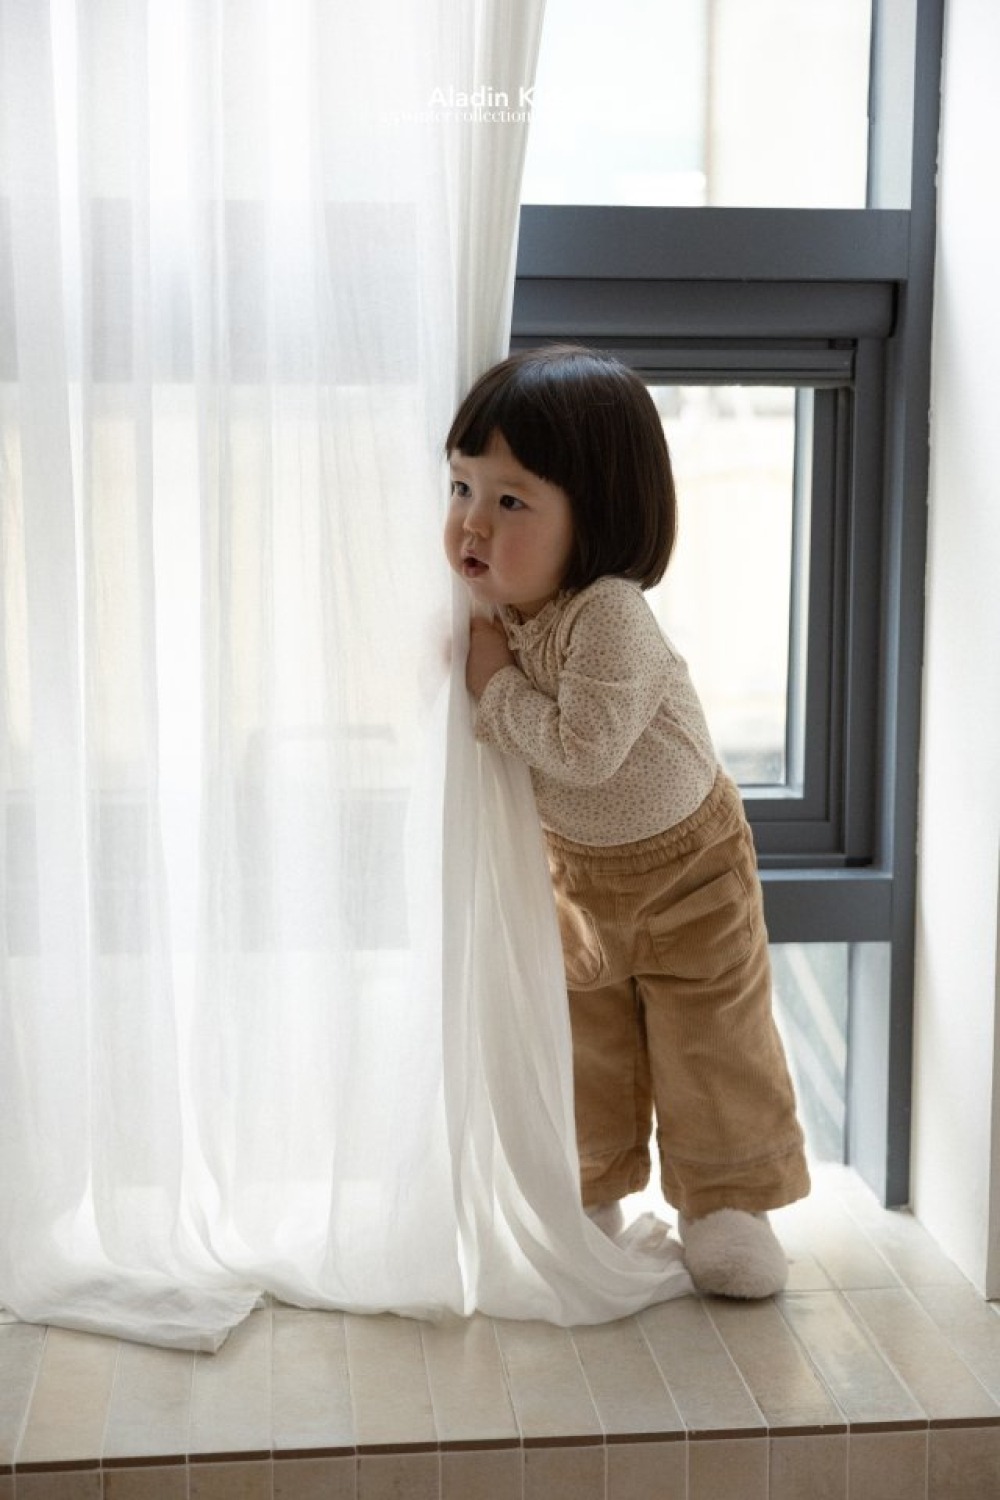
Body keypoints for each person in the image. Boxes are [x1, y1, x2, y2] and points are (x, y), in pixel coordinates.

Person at [443, 344, 811, 1298]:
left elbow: (586, 749)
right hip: (578, 870)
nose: (472, 522)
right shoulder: (505, 609)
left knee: (711, 1038)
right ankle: (590, 1193)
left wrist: (494, 691)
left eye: (510, 500)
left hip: (692, 868)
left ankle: (726, 1206)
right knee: (587, 1042)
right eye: (462, 487)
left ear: (596, 515)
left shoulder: (609, 613)